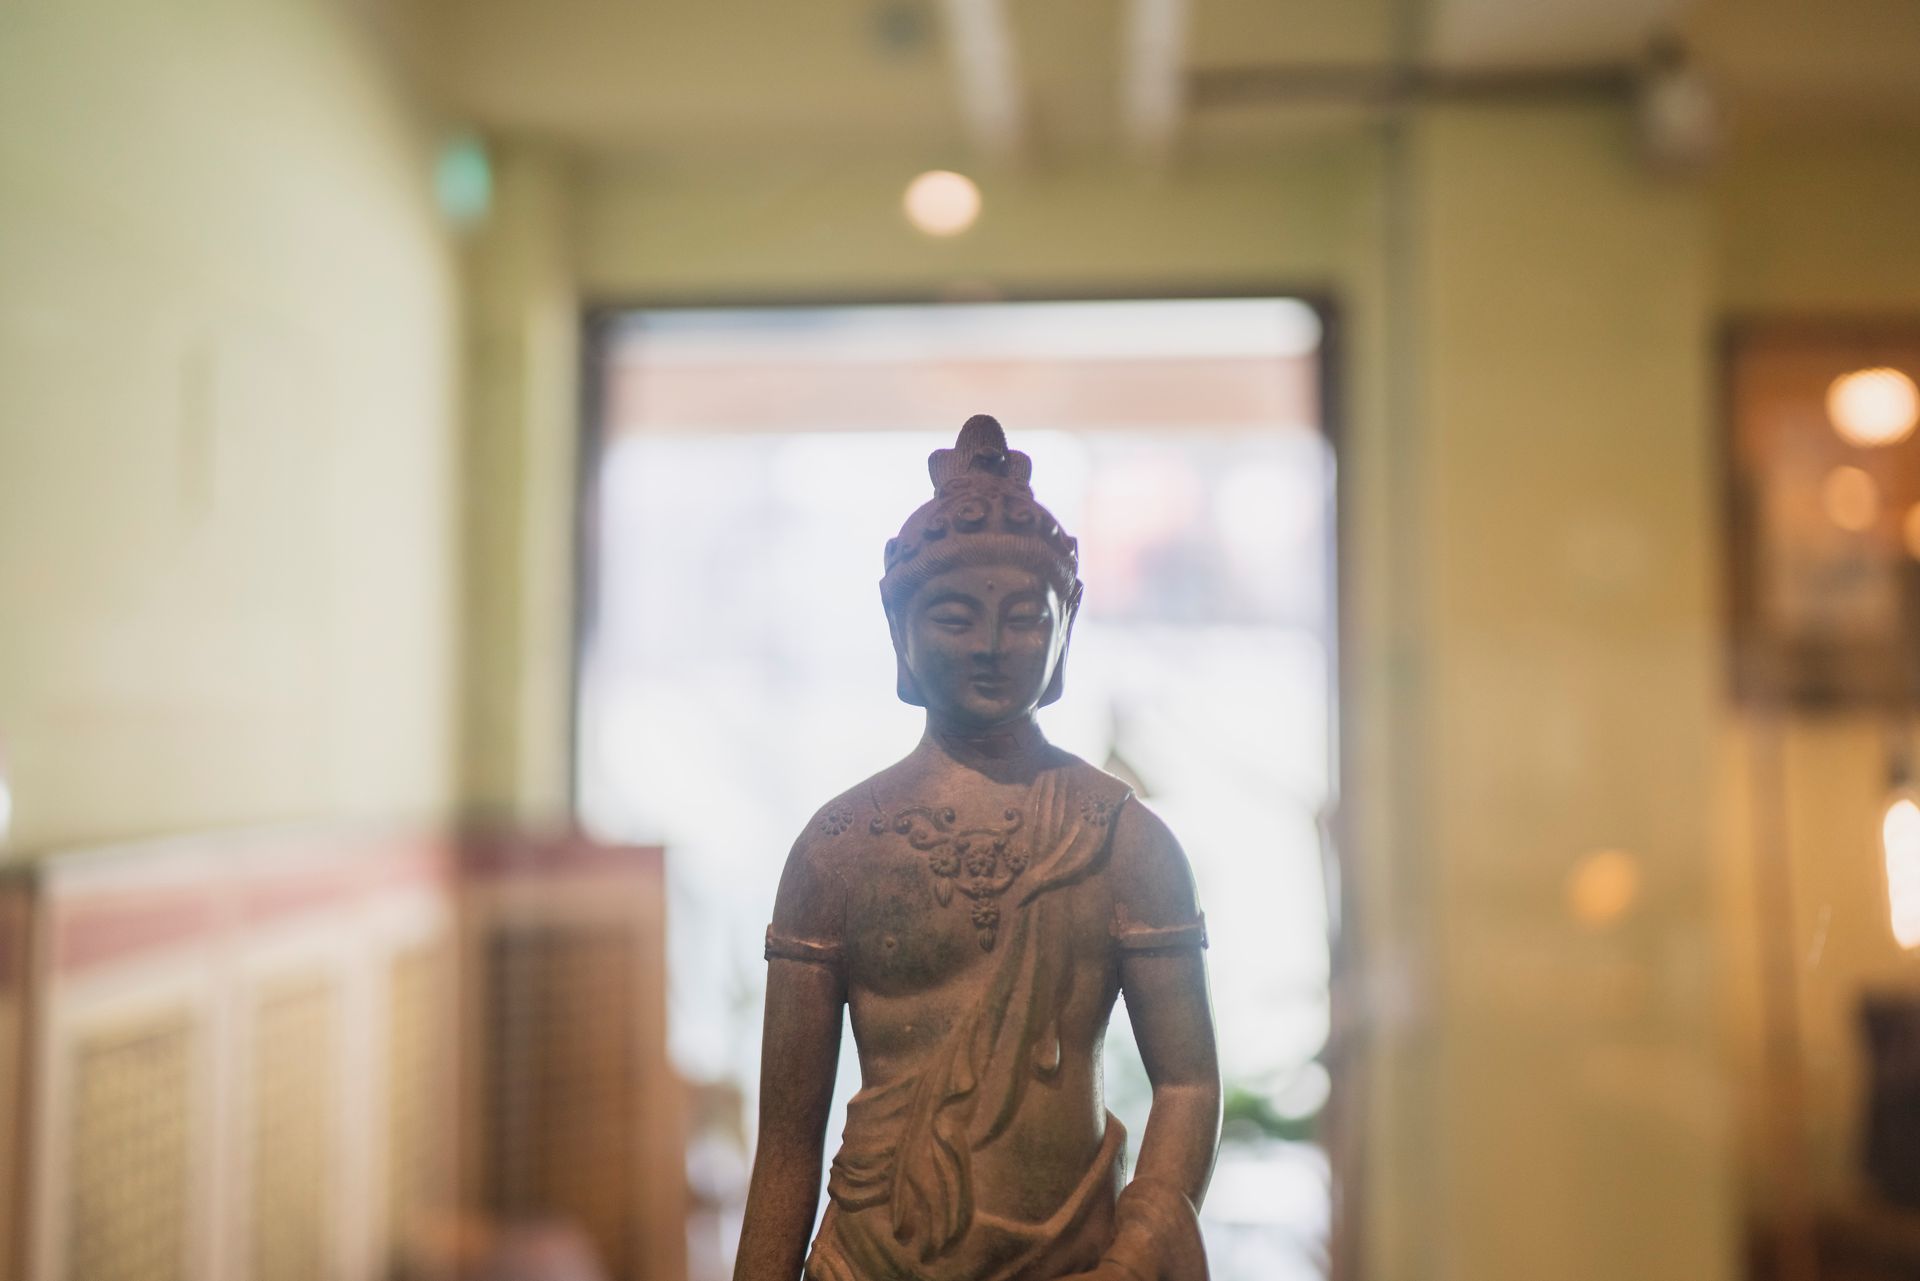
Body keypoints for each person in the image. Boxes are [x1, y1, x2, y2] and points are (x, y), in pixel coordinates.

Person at [734, 417, 1219, 1281]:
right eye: (956, 616)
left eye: (1024, 617)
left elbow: (1187, 1084)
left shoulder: (1125, 843)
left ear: (1065, 632)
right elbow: (784, 1143)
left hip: (1074, 1259)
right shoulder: (836, 850)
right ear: (900, 634)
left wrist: (1138, 1253)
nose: (994, 646)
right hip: (869, 1259)